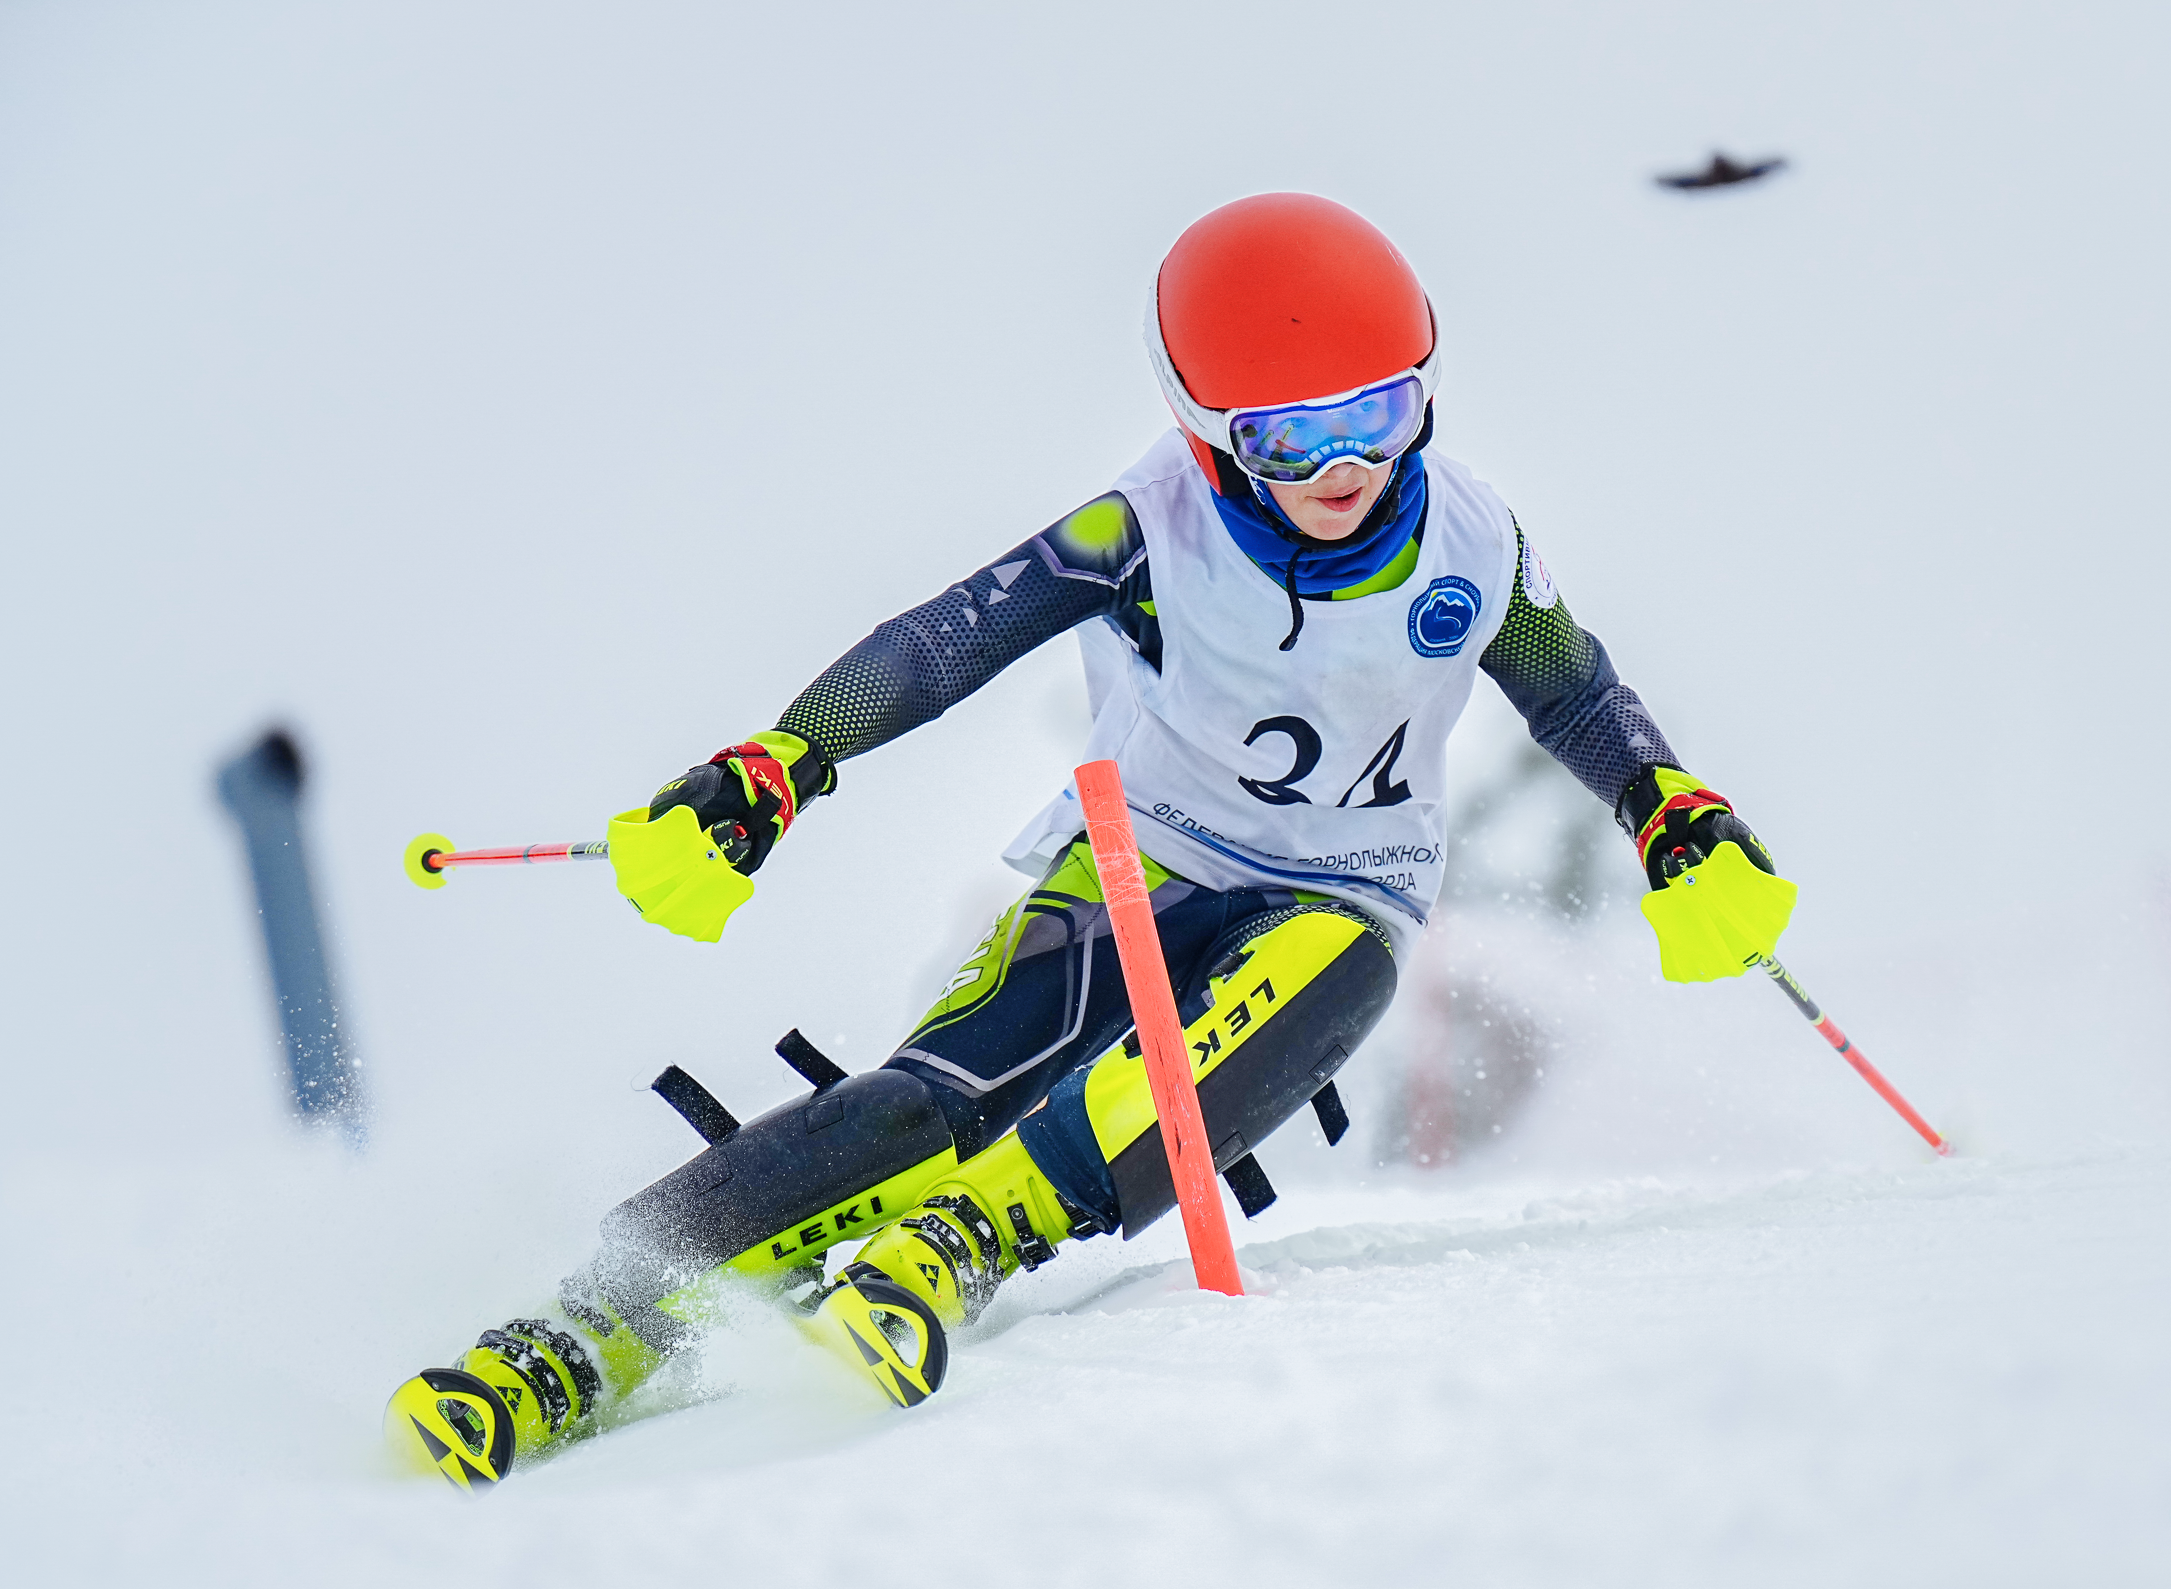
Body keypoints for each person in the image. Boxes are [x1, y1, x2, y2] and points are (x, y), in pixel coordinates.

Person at [385, 192, 1795, 1487]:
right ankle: (595, 1318)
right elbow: (946, 638)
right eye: (1290, 438)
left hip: (1342, 884)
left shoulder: (1472, 542)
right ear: (1208, 430)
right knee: (931, 1096)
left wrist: (1670, 807)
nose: (1347, 466)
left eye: (1380, 410)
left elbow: (1570, 682)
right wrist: (783, 760)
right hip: (1143, 857)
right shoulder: (1155, 522)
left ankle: (969, 1236)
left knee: (1293, 992)